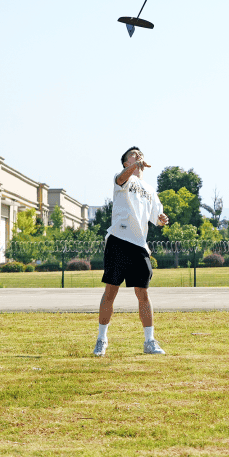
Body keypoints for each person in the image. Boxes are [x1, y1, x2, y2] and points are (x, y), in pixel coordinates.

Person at [93, 147, 169, 356]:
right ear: (126, 163)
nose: (138, 155)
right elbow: (121, 178)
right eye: (133, 154)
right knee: (111, 291)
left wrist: (162, 220)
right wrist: (135, 166)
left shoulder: (150, 190)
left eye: (139, 153)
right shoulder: (123, 179)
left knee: (143, 293)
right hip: (118, 240)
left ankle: (149, 341)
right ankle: (101, 339)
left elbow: (156, 217)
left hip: (139, 245)